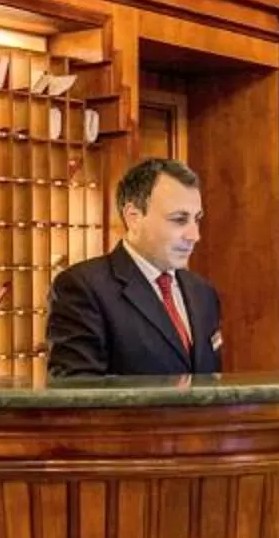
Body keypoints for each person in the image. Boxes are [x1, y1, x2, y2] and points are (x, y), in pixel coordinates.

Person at [47, 158, 223, 380]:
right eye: (179, 220)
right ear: (134, 217)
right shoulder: (83, 288)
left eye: (196, 220)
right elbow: (78, 397)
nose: (194, 236)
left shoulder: (203, 292)